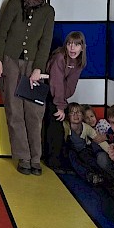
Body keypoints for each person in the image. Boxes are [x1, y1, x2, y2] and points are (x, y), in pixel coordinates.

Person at [0, 0, 55, 176]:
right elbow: (1, 33)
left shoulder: (48, 12)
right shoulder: (13, 4)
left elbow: (46, 42)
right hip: (10, 62)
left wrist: (38, 68)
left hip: (33, 66)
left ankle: (36, 158)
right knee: (14, 111)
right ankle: (24, 157)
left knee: (34, 113)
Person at [43, 31, 87, 172]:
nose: (72, 48)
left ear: (82, 47)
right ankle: (53, 161)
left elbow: (70, 85)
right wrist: (60, 106)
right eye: (69, 44)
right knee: (55, 127)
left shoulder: (79, 62)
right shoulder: (60, 57)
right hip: (48, 91)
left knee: (59, 127)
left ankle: (60, 159)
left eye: (76, 44)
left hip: (59, 96)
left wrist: (62, 102)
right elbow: (56, 83)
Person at [63, 103, 109, 185]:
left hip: (83, 149)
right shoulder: (66, 126)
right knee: (73, 158)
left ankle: (103, 175)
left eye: (78, 113)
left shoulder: (86, 127)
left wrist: (110, 151)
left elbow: (98, 139)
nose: (76, 115)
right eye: (72, 113)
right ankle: (89, 175)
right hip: (71, 150)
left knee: (88, 158)